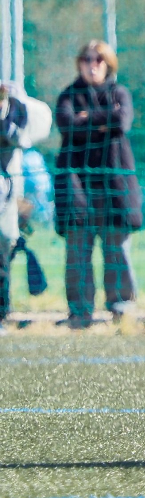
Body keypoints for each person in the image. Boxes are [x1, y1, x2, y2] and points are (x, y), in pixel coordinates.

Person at [54, 41, 141, 329]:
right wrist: (102, 121)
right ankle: (80, 312)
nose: (92, 65)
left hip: (114, 184)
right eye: (86, 59)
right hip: (77, 184)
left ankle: (121, 308)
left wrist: (87, 120)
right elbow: (67, 124)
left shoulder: (120, 92)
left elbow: (121, 122)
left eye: (99, 60)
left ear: (108, 64)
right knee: (77, 252)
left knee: (117, 249)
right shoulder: (68, 95)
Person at [0, 85, 29, 326]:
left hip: (4, 196)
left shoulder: (14, 109)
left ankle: (1, 311)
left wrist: (4, 107)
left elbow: (20, 136)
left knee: (4, 245)